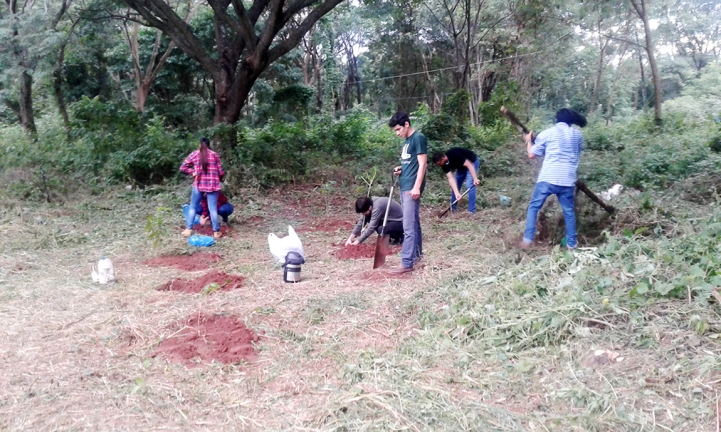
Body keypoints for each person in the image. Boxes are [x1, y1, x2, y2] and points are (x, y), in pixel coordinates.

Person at [519, 108, 587, 250]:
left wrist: (528, 141)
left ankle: (527, 240)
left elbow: (532, 154)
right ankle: (571, 244)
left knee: (533, 207)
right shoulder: (578, 135)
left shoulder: (547, 133)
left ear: (557, 119)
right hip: (568, 179)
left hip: (548, 178)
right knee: (569, 212)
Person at [388, 111, 427, 274]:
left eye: (398, 129)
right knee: (414, 222)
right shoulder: (406, 141)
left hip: (412, 187)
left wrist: (417, 187)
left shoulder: (418, 138)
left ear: (406, 124)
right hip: (405, 185)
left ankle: (406, 262)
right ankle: (417, 255)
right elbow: (410, 163)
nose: (397, 133)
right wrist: (401, 169)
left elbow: (422, 164)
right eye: (395, 131)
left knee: (408, 227)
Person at [179, 137, 225, 239]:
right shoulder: (214, 155)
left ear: (200, 145)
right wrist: (218, 179)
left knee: (193, 207)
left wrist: (192, 172)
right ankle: (216, 232)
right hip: (213, 185)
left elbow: (183, 167)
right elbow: (221, 172)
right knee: (212, 209)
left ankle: (188, 229)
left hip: (198, 184)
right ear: (209, 145)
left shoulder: (194, 154)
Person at [432, 147, 481, 214]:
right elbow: (451, 178)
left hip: (472, 162)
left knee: (470, 185)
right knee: (456, 184)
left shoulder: (454, 154)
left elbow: (469, 165)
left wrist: (475, 179)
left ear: (442, 159)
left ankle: (471, 211)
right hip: (461, 166)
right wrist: (456, 193)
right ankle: (453, 208)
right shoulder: (443, 165)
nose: (438, 166)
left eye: (438, 163)